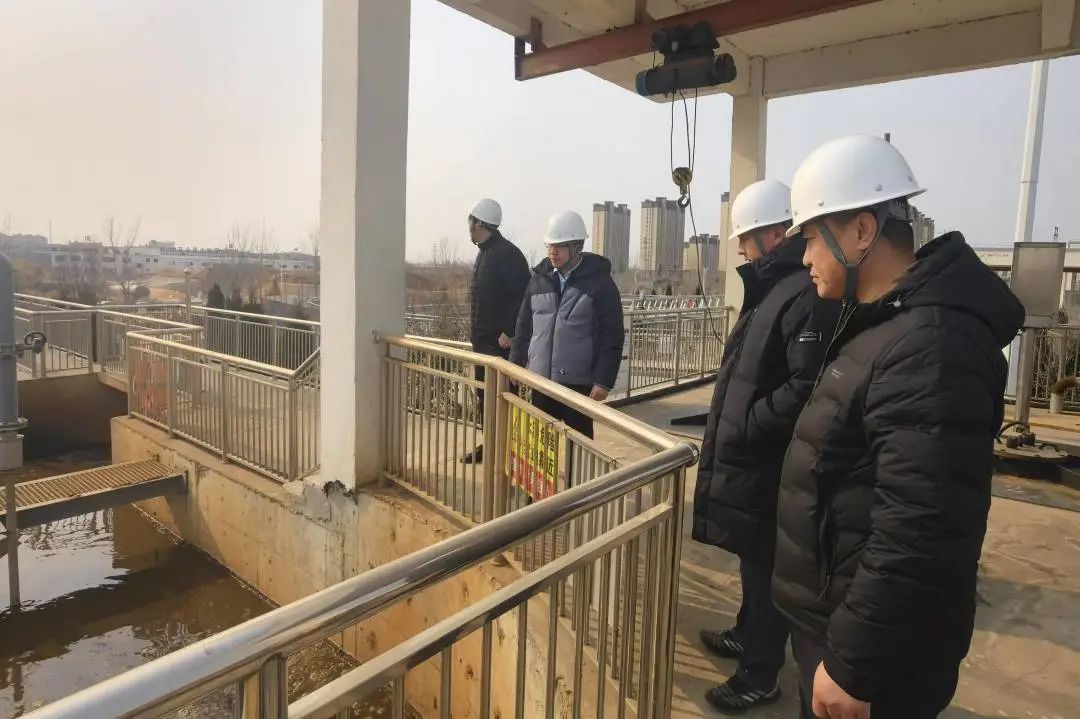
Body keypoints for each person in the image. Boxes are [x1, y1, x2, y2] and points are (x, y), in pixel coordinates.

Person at [772, 135, 1024, 719]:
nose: (805, 258)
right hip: (843, 626)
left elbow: (920, 525)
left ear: (862, 231)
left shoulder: (930, 346)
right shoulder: (889, 326)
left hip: (876, 659)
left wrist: (853, 663)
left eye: (810, 239)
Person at [692, 180, 839, 713]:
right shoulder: (773, 290)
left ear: (775, 235)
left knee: (767, 567)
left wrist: (748, 421)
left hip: (771, 462)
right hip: (755, 458)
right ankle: (746, 632)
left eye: (746, 237)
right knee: (751, 559)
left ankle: (759, 673)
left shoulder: (801, 295)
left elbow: (806, 385)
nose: (740, 248)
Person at [510, 210, 623, 440]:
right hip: (541, 382)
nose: (553, 251)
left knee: (578, 446)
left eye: (560, 246)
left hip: (578, 385)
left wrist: (603, 381)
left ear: (577, 247)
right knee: (540, 445)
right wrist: (516, 363)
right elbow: (523, 327)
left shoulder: (600, 284)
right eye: (550, 245)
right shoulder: (538, 280)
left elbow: (611, 336)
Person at [462, 198, 530, 464]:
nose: (468, 227)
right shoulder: (485, 253)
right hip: (483, 346)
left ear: (479, 223)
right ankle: (491, 446)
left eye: (470, 221)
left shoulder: (507, 255)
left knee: (503, 400)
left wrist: (511, 331)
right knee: (485, 399)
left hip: (500, 347)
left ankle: (508, 454)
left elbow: (525, 298)